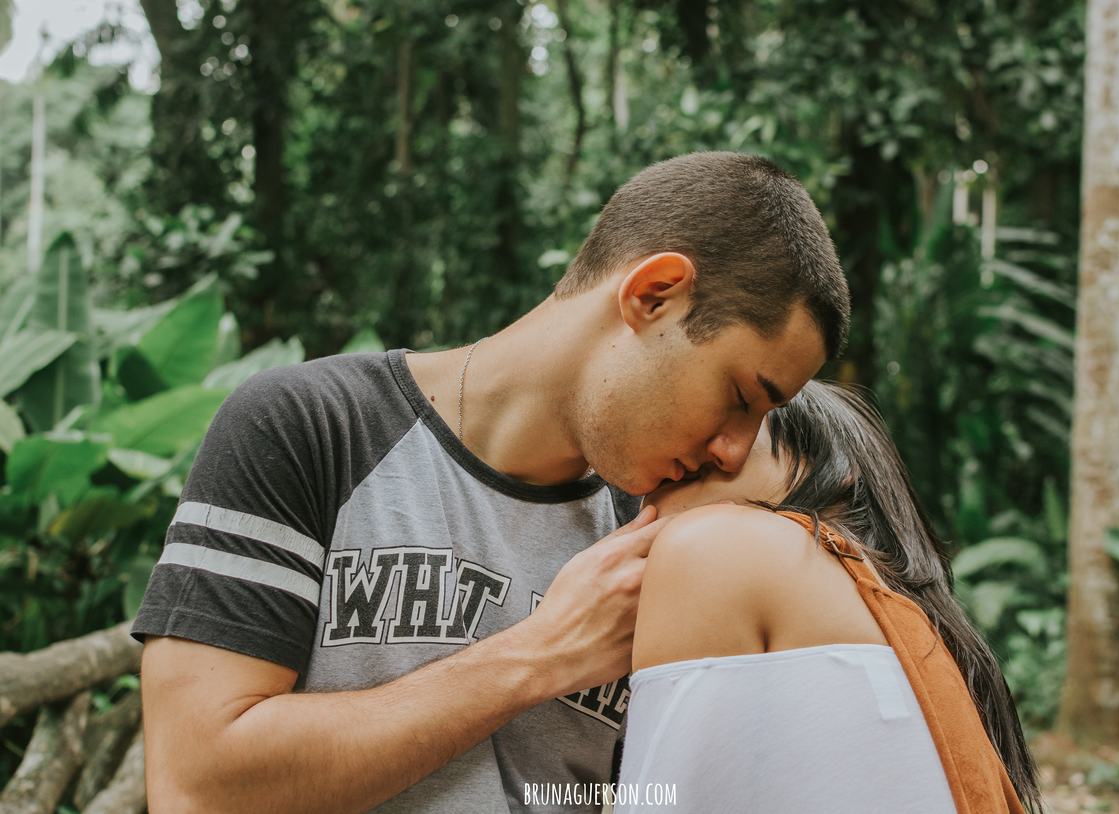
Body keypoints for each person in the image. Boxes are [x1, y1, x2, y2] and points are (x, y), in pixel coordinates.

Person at [132, 152, 852, 813]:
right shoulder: (309, 426)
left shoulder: (667, 532)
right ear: (654, 295)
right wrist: (542, 654)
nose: (733, 451)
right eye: (740, 397)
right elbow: (195, 785)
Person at [617, 381, 1043, 813]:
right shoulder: (903, 628)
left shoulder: (718, 543)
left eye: (748, 412)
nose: (699, 446)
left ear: (834, 467)